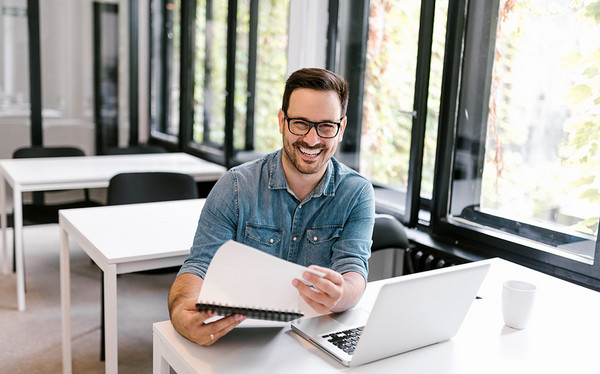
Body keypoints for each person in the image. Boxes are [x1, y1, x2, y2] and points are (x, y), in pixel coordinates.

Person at [168, 67, 375, 346]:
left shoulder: (358, 192)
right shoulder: (236, 186)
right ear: (282, 120)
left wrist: (342, 294)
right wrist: (181, 313)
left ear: (341, 129)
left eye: (326, 126)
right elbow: (199, 265)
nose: (312, 140)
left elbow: (353, 270)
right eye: (300, 123)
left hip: (310, 340)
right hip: (240, 338)